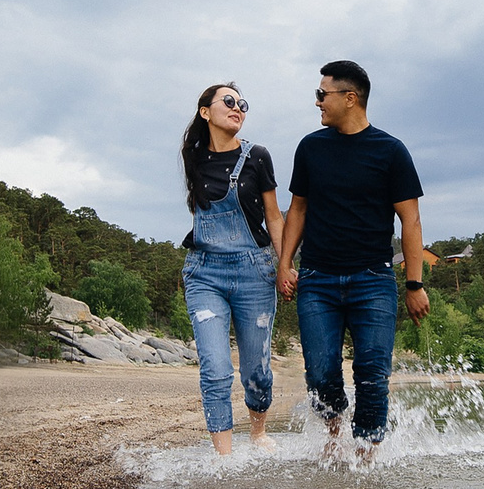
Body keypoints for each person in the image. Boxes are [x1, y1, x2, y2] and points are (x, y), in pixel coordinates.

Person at [277, 60, 427, 465]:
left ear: (350, 97)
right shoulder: (311, 147)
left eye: (321, 95)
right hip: (317, 280)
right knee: (320, 373)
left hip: (373, 281)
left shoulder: (391, 151)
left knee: (372, 376)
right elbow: (298, 209)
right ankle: (333, 434)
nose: (317, 103)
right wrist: (284, 264)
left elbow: (409, 220)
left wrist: (414, 284)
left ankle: (366, 457)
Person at [180, 82, 282, 456]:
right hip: (205, 272)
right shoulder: (192, 156)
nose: (237, 108)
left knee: (256, 370)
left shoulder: (258, 156)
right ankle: (224, 456)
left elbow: (274, 216)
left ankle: (258, 433)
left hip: (255, 270)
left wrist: (284, 266)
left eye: (242, 103)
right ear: (205, 111)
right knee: (216, 368)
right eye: (228, 101)